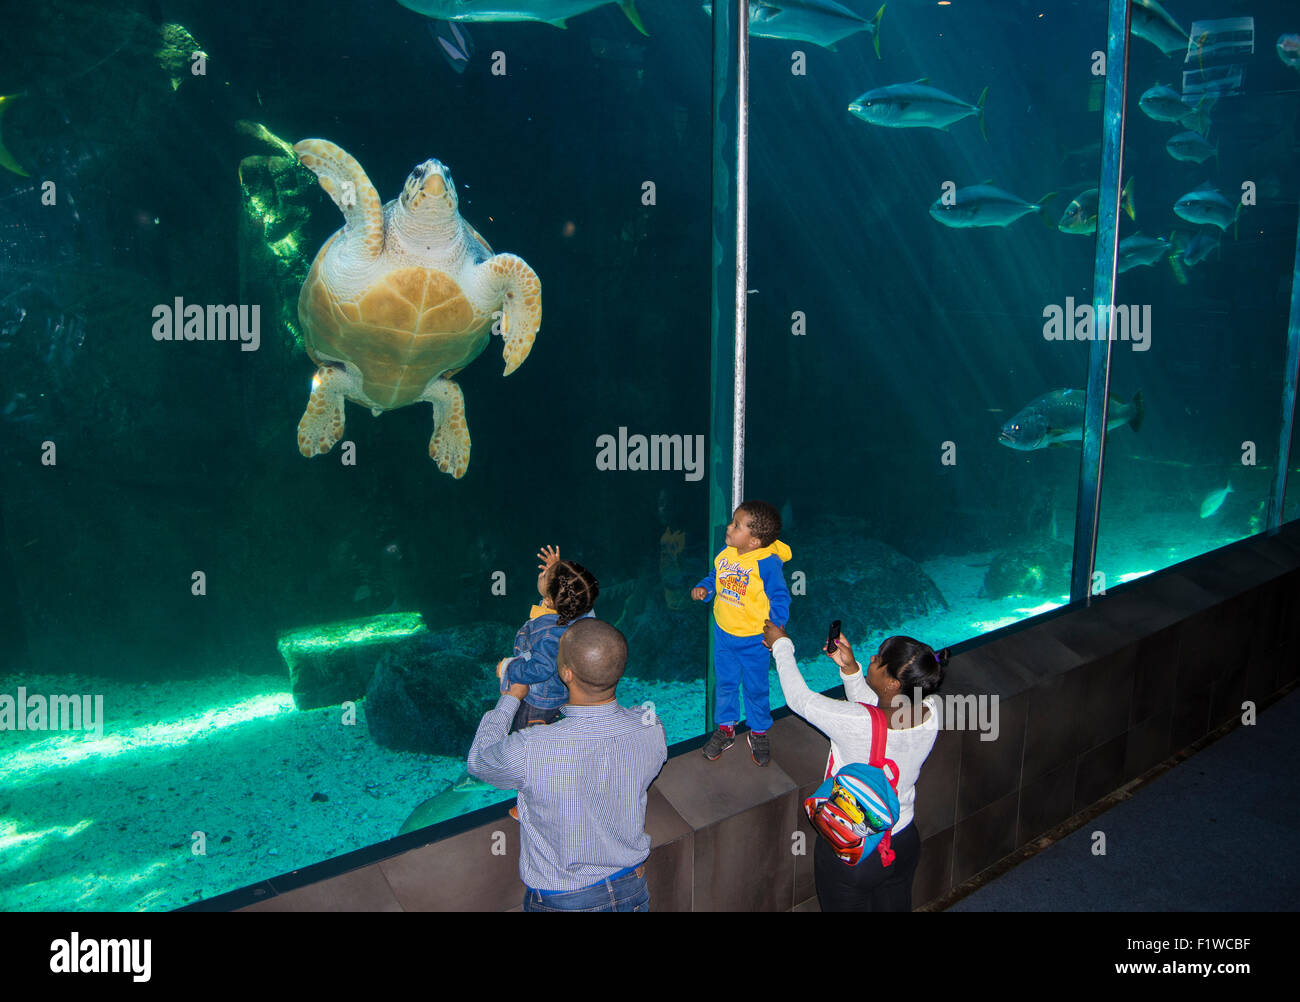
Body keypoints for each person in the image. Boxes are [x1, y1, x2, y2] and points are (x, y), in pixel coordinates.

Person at [468, 618, 668, 912]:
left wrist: (510, 699)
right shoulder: (651, 728)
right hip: (632, 890)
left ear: (565, 673)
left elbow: (478, 760)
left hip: (565, 900)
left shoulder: (532, 747)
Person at [763, 619, 947, 912]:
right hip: (902, 841)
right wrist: (851, 670)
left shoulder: (856, 722)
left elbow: (800, 700)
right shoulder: (932, 709)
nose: (871, 658)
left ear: (892, 683)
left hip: (854, 847)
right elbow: (882, 709)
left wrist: (781, 645)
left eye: (878, 659)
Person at [692, 500, 791, 766]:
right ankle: (725, 729)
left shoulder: (766, 563)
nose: (729, 526)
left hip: (754, 640)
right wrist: (705, 588)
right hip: (724, 634)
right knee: (725, 683)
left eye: (737, 525)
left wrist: (777, 627)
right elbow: (716, 576)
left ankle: (758, 731)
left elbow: (780, 596)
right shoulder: (727, 552)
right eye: (733, 522)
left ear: (755, 541)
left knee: (756, 687)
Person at [496, 545, 599, 734]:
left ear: (551, 600)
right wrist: (559, 571)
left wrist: (508, 669)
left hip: (539, 705)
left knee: (526, 742)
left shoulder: (549, 634)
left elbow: (541, 668)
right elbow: (573, 596)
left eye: (545, 576)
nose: (542, 574)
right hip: (564, 695)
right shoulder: (579, 613)